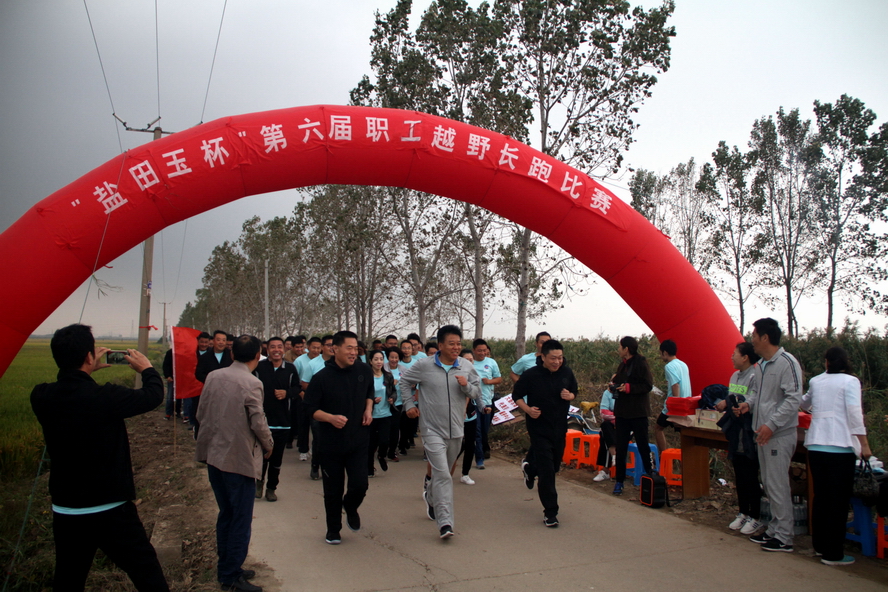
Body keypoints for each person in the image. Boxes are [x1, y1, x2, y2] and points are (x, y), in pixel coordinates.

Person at [31, 324, 169, 592]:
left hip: (66, 510)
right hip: (112, 509)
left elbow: (69, 388)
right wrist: (147, 369)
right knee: (148, 577)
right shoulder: (105, 397)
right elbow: (153, 395)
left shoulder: (41, 395)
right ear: (89, 356)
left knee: (68, 580)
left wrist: (83, 369)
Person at [195, 335, 273, 592]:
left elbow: (200, 412)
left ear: (231, 354)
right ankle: (230, 576)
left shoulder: (213, 376)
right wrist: (268, 444)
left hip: (214, 456)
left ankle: (228, 566)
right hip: (238, 460)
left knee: (226, 513)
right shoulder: (252, 383)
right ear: (258, 355)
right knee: (240, 518)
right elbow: (258, 422)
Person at [399, 325, 483, 539]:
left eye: (459, 343)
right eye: (451, 343)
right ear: (441, 345)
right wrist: (409, 405)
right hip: (431, 429)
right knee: (444, 474)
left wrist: (466, 386)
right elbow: (405, 382)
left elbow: (476, 391)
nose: (456, 347)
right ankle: (445, 523)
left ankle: (431, 494)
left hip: (456, 429)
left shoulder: (465, 366)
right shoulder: (424, 365)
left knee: (444, 472)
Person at [800, 346, 871, 566]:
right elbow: (854, 413)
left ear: (827, 362)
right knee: (838, 502)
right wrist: (864, 444)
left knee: (821, 497)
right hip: (840, 446)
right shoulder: (850, 382)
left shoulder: (816, 381)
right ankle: (833, 553)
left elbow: (803, 403)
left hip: (816, 445)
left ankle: (820, 546)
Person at [736, 317, 802, 553]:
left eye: (754, 335)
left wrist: (772, 424)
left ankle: (784, 536)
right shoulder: (762, 365)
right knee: (769, 483)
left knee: (777, 484)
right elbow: (758, 394)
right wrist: (749, 404)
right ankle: (774, 529)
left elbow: (793, 398)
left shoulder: (787, 363)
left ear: (765, 337)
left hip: (778, 434)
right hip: (762, 432)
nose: (751, 339)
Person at [303, 330, 374, 545]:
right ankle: (333, 530)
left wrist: (368, 409)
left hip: (358, 439)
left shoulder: (364, 370)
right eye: (349, 348)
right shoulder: (321, 378)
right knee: (333, 489)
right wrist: (330, 418)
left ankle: (350, 506)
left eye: (356, 348)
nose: (354, 352)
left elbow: (369, 392)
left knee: (360, 484)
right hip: (330, 442)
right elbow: (309, 409)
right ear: (335, 349)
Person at [513, 339, 578, 527]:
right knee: (547, 472)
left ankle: (530, 468)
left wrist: (570, 396)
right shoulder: (531, 375)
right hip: (538, 428)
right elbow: (516, 396)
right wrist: (528, 410)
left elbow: (574, 391)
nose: (557, 362)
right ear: (543, 357)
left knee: (554, 466)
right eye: (553, 358)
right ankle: (551, 513)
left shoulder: (567, 373)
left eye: (560, 358)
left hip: (559, 427)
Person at [716, 342, 763, 534]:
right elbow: (733, 397)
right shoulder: (734, 376)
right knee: (739, 473)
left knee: (750, 474)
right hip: (735, 430)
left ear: (745, 357)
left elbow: (752, 399)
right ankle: (743, 512)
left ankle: (755, 515)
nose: (731, 357)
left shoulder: (755, 375)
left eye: (734, 353)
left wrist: (739, 404)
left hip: (749, 431)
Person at [253, 337, 300, 502]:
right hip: (262, 421)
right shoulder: (259, 367)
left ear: (284, 349)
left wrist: (287, 393)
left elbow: (297, 388)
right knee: (261, 456)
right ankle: (258, 483)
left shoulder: (290, 368)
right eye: (272, 347)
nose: (276, 350)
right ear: (267, 349)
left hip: (282, 421)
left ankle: (271, 488)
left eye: (279, 347)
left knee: (276, 458)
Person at [610, 336, 654, 496]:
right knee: (621, 447)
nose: (618, 350)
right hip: (622, 412)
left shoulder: (641, 363)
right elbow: (619, 381)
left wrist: (629, 388)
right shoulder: (622, 364)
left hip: (638, 412)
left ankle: (651, 477)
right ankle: (619, 481)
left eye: (620, 347)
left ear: (626, 349)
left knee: (643, 446)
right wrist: (614, 386)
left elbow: (647, 385)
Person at [194, 329, 233, 437]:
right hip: (211, 391)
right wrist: (212, 380)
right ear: (214, 341)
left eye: (223, 340)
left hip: (228, 392)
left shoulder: (231, 356)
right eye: (218, 340)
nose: (221, 342)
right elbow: (198, 373)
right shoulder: (205, 357)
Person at [654, 339, 691, 453]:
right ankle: (686, 457)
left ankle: (663, 455)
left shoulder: (669, 366)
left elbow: (675, 385)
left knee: (658, 428)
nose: (661, 356)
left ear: (665, 352)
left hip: (673, 407)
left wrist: (676, 406)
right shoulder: (683, 364)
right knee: (683, 433)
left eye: (661, 354)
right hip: (686, 404)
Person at [471, 339, 500, 467]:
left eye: (484, 350)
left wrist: (489, 382)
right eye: (479, 350)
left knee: (484, 431)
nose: (482, 353)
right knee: (477, 431)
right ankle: (479, 459)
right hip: (472, 402)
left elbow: (499, 379)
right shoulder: (469, 363)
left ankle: (481, 450)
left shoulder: (491, 362)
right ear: (474, 350)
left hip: (487, 402)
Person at [367, 349, 395, 476]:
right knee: (370, 443)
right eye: (376, 359)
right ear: (370, 361)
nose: (379, 362)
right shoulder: (367, 377)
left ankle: (381, 456)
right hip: (371, 415)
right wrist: (372, 400)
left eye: (381, 359)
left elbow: (393, 391)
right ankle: (369, 467)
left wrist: (392, 398)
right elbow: (362, 394)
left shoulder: (388, 376)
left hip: (385, 413)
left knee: (384, 441)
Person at [592, 387, 617, 482]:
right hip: (611, 426)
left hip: (625, 426)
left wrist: (616, 417)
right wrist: (617, 417)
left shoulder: (628, 393)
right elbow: (603, 413)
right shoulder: (607, 393)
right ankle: (614, 456)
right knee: (605, 427)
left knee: (605, 435)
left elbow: (628, 413)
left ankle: (606, 470)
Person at [162, 347, 181, 420]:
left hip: (181, 378)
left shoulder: (183, 352)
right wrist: (168, 376)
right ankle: (168, 413)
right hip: (172, 378)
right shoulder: (170, 352)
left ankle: (177, 412)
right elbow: (166, 365)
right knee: (170, 396)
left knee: (179, 396)